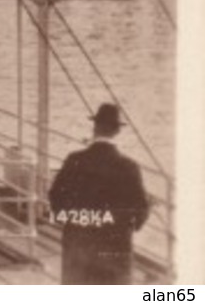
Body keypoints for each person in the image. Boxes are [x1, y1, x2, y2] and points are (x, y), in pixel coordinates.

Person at [47, 103, 149, 283]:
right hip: (114, 254)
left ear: (95, 127)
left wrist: (74, 220)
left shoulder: (74, 160)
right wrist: (125, 224)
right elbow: (140, 210)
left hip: (79, 252)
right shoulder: (129, 167)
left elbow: (56, 197)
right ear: (117, 131)